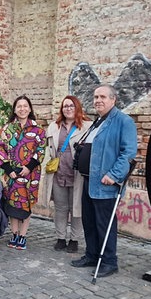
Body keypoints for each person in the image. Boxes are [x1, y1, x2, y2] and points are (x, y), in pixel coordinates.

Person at [70, 84, 137, 278]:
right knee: (89, 221)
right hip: (88, 181)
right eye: (95, 97)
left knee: (105, 223)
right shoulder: (97, 121)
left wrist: (114, 175)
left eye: (102, 97)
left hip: (105, 183)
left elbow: (128, 153)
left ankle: (109, 261)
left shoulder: (123, 122)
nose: (98, 100)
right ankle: (92, 255)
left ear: (113, 99)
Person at [0, 95, 47, 250]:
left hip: (29, 174)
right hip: (11, 174)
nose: (22, 109)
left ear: (29, 108)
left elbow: (41, 149)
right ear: (15, 110)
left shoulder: (38, 130)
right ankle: (15, 233)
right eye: (19, 106)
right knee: (12, 204)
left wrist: (29, 167)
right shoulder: (6, 129)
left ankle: (23, 235)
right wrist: (8, 169)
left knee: (26, 204)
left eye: (25, 106)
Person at [45, 96, 92, 253]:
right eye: (65, 106)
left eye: (71, 105)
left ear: (77, 107)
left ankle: (74, 239)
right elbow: (48, 150)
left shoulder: (87, 126)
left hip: (77, 175)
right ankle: (60, 238)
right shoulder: (54, 126)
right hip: (59, 173)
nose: (68, 108)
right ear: (61, 109)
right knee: (60, 208)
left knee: (76, 209)